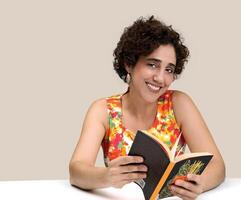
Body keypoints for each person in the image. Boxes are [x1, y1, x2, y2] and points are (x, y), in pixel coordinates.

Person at [69, 15, 225, 199]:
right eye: (152, 65)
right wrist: (106, 176)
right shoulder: (103, 110)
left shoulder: (179, 104)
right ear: (129, 63)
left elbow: (218, 166)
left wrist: (199, 184)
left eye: (169, 69)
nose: (160, 78)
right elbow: (76, 170)